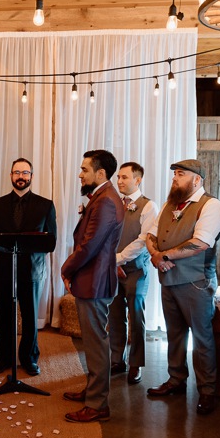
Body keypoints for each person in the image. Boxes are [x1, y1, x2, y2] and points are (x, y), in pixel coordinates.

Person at [145, 159, 220, 416]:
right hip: (168, 280)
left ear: (197, 179)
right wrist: (156, 255)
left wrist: (164, 257)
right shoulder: (170, 205)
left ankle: (207, 390)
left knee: (202, 338)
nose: (174, 179)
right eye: (174, 174)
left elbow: (201, 242)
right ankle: (176, 380)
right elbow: (150, 234)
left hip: (196, 282)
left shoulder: (211, 205)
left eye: (181, 174)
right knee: (175, 334)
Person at [61, 150, 124, 423]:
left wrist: (65, 268)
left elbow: (89, 245)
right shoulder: (101, 197)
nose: (80, 174)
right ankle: (92, 390)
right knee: (92, 340)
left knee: (97, 343)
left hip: (95, 280)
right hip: (91, 278)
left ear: (100, 173)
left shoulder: (106, 201)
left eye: (84, 169)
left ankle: (98, 404)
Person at [0, 158, 57, 376]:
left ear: (32, 177)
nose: (21, 176)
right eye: (16, 172)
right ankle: (3, 358)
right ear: (10, 176)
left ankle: (29, 358)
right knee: (4, 315)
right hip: (3, 270)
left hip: (32, 270)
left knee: (30, 316)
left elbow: (51, 241)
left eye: (25, 173)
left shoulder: (46, 205)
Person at [108, 162, 158, 385]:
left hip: (136, 270)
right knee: (115, 315)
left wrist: (118, 259)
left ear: (137, 180)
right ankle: (117, 359)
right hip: (113, 269)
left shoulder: (149, 207)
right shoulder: (114, 204)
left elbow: (143, 240)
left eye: (124, 177)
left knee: (136, 316)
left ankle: (136, 364)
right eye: (118, 177)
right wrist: (111, 262)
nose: (119, 181)